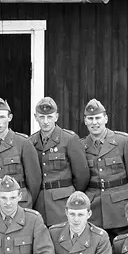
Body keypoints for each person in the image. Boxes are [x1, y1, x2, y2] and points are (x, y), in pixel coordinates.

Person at [80, 98, 128, 236]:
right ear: (85, 121)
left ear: (105, 119)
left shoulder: (123, 141)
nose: (94, 122)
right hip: (94, 208)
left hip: (120, 207)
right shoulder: (81, 145)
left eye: (98, 118)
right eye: (90, 118)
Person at [30, 96, 92, 227]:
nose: (45, 121)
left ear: (56, 117)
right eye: (41, 117)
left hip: (63, 203)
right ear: (36, 117)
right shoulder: (31, 142)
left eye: (49, 117)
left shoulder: (69, 139)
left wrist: (70, 194)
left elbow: (82, 175)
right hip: (40, 204)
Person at [0, 99, 42, 211]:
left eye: (2, 117)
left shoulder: (23, 143)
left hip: (20, 204)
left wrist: (28, 199)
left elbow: (34, 181)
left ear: (10, 117)